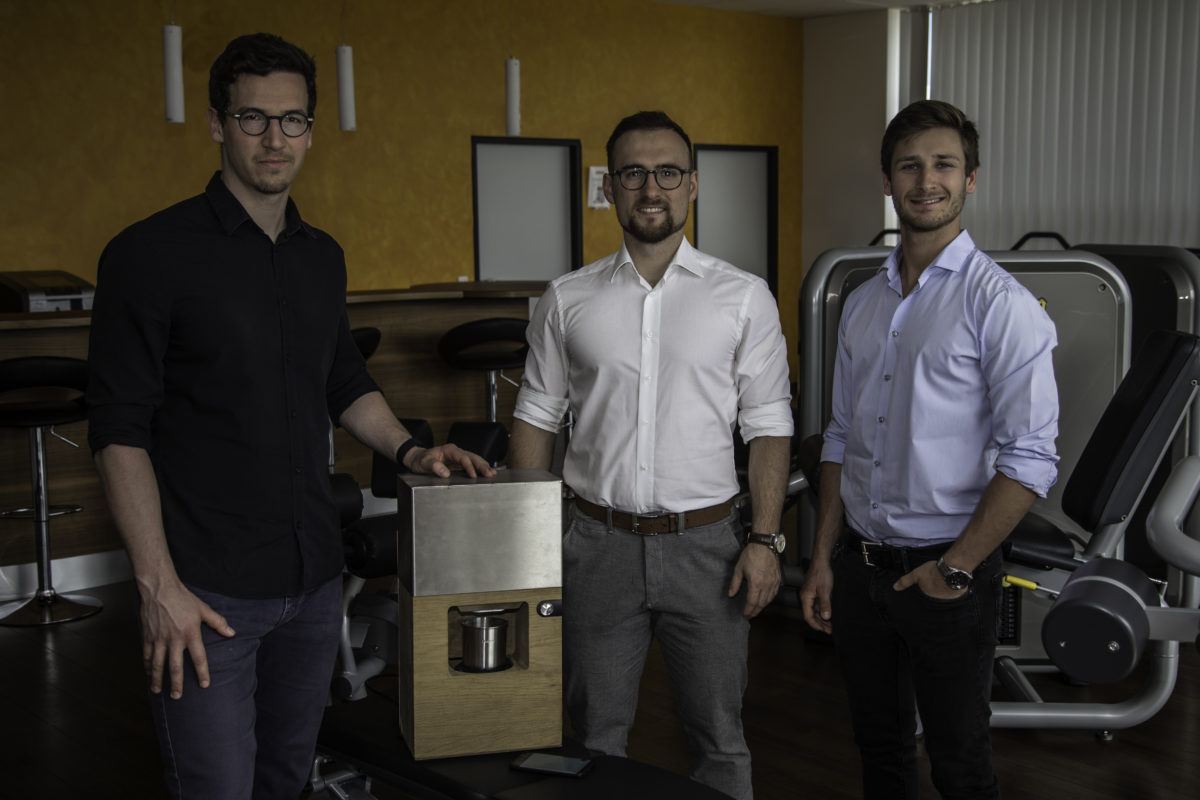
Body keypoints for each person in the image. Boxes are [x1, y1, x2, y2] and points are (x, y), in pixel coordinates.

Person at [86, 33, 494, 800]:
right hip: (207, 592)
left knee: (284, 782)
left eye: (293, 120)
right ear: (216, 124)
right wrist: (157, 587)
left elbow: (342, 380)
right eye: (253, 119)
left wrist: (413, 452)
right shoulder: (147, 254)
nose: (275, 139)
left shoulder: (320, 255)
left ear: (311, 127)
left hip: (312, 581)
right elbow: (118, 432)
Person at [508, 110, 793, 800]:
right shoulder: (566, 298)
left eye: (667, 172)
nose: (651, 188)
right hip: (596, 544)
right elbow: (536, 416)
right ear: (611, 188)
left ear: (692, 185)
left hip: (710, 550)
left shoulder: (744, 297)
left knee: (720, 740)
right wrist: (531, 537)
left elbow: (768, 425)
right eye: (633, 173)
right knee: (592, 739)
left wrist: (764, 539)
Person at [800, 99, 1059, 799]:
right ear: (888, 181)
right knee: (879, 753)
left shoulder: (998, 303)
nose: (927, 180)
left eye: (944, 164)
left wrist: (957, 568)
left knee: (960, 765)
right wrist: (824, 557)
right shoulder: (863, 302)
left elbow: (1031, 458)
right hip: (861, 567)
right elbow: (842, 440)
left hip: (950, 572)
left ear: (970, 179)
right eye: (909, 166)